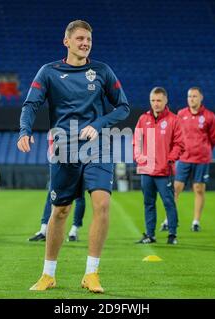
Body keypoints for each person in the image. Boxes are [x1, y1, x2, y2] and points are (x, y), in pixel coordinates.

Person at [18, 20, 130, 293]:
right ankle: (48, 274)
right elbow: (31, 103)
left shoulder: (102, 71)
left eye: (88, 39)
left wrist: (99, 124)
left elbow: (123, 107)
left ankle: (91, 273)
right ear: (66, 41)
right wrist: (25, 130)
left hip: (98, 145)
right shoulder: (49, 72)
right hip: (64, 148)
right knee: (60, 212)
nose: (85, 43)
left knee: (101, 204)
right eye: (79, 38)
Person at [160, 87, 215, 232]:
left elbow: (214, 138)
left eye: (194, 96)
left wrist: (203, 149)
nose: (192, 99)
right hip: (184, 158)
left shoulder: (209, 116)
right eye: (189, 96)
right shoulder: (181, 114)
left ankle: (196, 221)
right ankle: (169, 219)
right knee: (175, 189)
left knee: (198, 189)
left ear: (201, 98)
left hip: (201, 159)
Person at [133, 87, 183, 245]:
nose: (156, 103)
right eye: (153, 100)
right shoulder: (143, 119)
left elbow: (179, 144)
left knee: (168, 202)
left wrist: (170, 159)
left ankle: (172, 234)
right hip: (146, 170)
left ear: (165, 101)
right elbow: (137, 142)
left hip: (164, 171)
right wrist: (139, 158)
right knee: (148, 203)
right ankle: (150, 234)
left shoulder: (174, 120)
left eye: (159, 100)